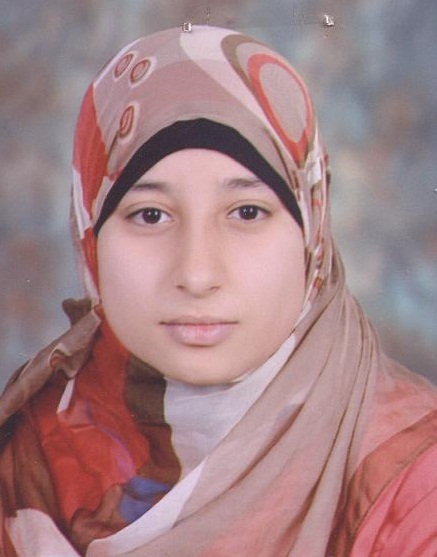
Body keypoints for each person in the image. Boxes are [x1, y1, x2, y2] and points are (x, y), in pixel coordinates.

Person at [1, 24, 436, 557]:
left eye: (247, 212)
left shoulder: (413, 484)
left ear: (312, 232)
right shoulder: (32, 457)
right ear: (90, 234)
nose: (198, 273)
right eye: (151, 215)